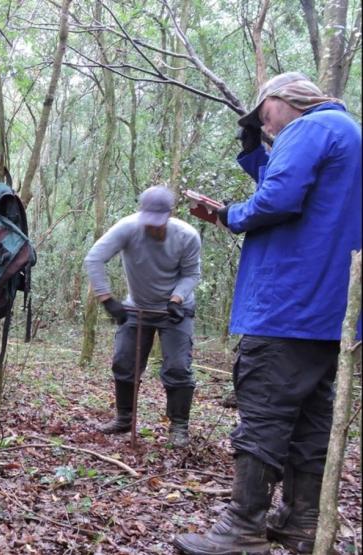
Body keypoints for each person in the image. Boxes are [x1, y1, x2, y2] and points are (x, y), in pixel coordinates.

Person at [174, 72, 362, 555]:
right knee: (310, 419)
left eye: (264, 115)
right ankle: (301, 522)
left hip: (288, 303)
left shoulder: (311, 128)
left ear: (284, 100)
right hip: (331, 312)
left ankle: (242, 528)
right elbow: (298, 190)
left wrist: (229, 215)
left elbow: (277, 198)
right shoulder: (347, 134)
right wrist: (255, 152)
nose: (266, 125)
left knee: (264, 411)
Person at [84, 185, 202, 449]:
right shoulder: (127, 228)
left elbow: (192, 273)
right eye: (149, 222)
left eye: (159, 223)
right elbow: (94, 259)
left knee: (177, 367)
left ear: (170, 215)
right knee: (124, 361)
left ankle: (179, 426)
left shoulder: (187, 236)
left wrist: (177, 298)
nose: (153, 228)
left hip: (175, 310)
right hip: (137, 307)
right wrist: (107, 299)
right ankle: (124, 418)